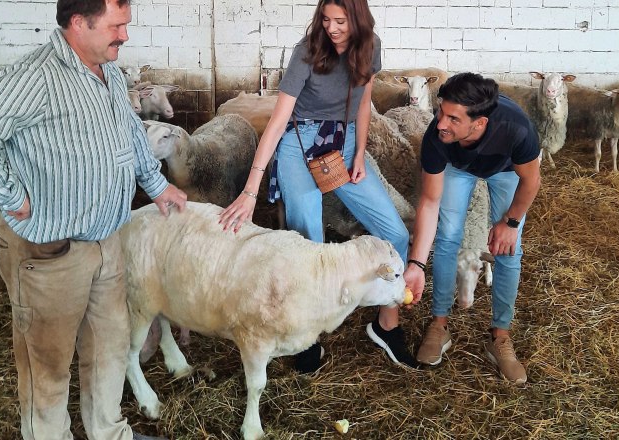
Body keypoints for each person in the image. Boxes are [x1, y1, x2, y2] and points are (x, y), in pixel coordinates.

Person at [0, 1, 186, 439]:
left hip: (106, 240)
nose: (125, 36)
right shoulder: (36, 77)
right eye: (117, 26)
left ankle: (108, 432)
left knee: (110, 347)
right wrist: (8, 195)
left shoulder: (108, 71)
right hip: (49, 250)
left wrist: (156, 184)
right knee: (48, 363)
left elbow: (131, 132)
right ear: (80, 22)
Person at [219, 0, 418, 372]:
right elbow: (278, 122)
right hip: (300, 143)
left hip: (342, 145)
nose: (332, 28)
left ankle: (386, 326)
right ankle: (306, 337)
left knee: (395, 232)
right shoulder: (307, 52)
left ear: (358, 19)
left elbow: (363, 101)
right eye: (326, 20)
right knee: (308, 244)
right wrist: (251, 189)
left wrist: (360, 151)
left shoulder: (370, 46)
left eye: (340, 21)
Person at [404, 72, 541, 384]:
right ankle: (439, 324)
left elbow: (531, 181)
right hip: (457, 166)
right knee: (448, 235)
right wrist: (415, 264)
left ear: (479, 123)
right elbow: (429, 202)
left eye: (453, 117)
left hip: (505, 168)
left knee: (509, 248)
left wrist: (511, 223)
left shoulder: (517, 129)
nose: (440, 122)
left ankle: (500, 336)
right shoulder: (437, 137)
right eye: (441, 111)